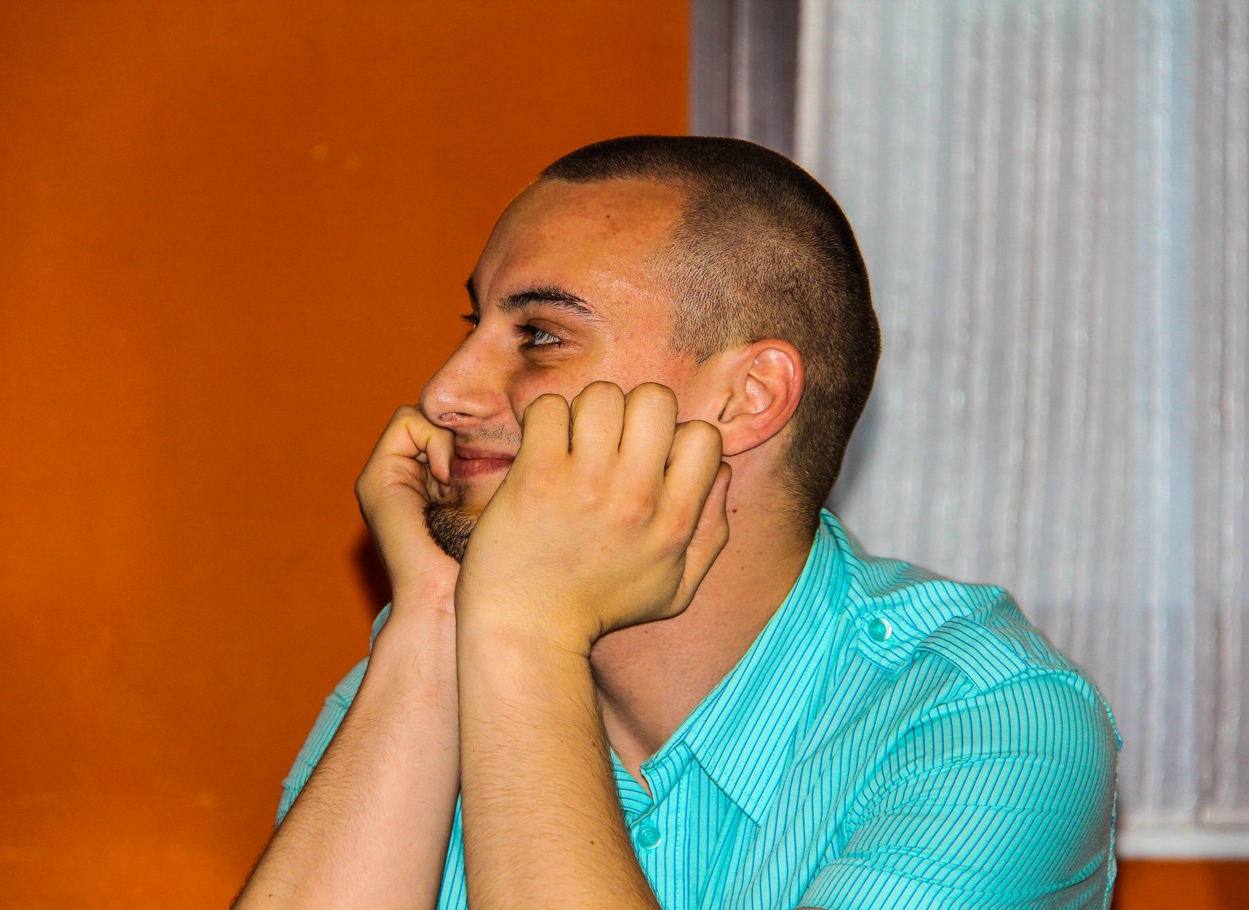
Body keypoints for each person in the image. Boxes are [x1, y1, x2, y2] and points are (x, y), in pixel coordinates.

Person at [233, 136, 1119, 909]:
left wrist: (527, 634)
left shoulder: (988, 720)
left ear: (746, 398)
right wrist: (435, 614)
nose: (444, 393)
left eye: (539, 335)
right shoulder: (421, 666)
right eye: (476, 325)